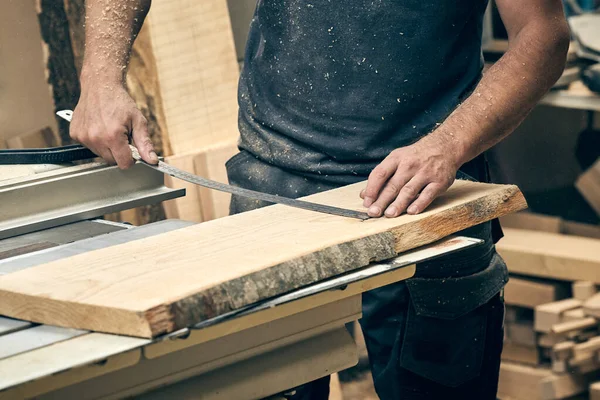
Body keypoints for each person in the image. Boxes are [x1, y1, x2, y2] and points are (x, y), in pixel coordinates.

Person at [70, 0, 570, 398]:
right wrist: (99, 77)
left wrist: (447, 144)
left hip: (428, 190)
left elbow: (542, 35)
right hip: (271, 186)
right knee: (266, 386)